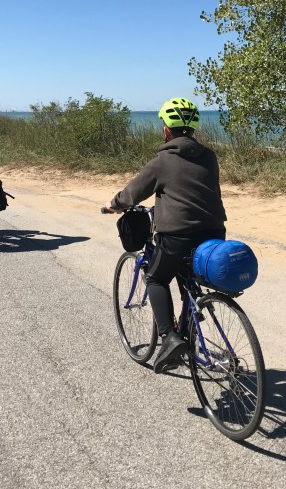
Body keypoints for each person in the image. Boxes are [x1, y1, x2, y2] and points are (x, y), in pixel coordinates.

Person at [103, 97, 227, 374]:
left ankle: (168, 339)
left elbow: (133, 193)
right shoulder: (209, 156)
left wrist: (114, 204)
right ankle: (190, 329)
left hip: (177, 235)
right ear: (194, 128)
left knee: (156, 277)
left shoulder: (162, 161)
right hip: (215, 232)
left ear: (166, 130)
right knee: (188, 282)